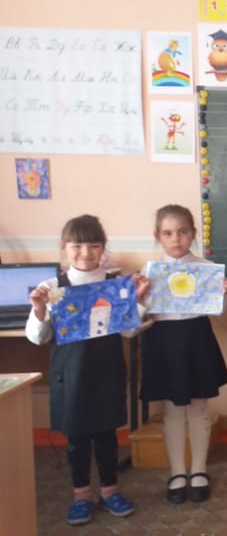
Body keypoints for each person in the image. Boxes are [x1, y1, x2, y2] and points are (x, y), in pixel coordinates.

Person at [25, 215, 150, 526]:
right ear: (63, 247)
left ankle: (109, 492)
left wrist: (138, 301)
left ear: (103, 248)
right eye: (77, 246)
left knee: (107, 436)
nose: (85, 253)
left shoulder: (113, 284)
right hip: (70, 377)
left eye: (93, 246)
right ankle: (81, 496)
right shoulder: (52, 287)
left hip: (106, 373)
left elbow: (128, 331)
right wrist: (39, 310)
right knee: (77, 439)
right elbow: (38, 337)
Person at [141, 205, 227, 504]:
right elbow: (141, 316)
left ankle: (199, 469)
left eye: (182, 232)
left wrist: (223, 293)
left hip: (197, 339)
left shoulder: (206, 268)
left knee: (199, 407)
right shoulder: (149, 273)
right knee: (173, 410)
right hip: (164, 342)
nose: (175, 239)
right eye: (168, 233)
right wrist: (139, 297)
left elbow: (218, 310)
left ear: (192, 234)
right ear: (158, 237)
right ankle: (178, 471)